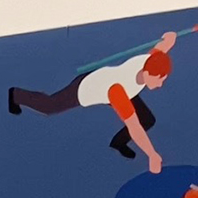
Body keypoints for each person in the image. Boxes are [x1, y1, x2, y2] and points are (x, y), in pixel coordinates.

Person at [9, 30, 177, 173]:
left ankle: (118, 143)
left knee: (148, 119)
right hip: (87, 88)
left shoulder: (149, 61)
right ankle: (16, 95)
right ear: (147, 73)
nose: (160, 85)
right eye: (159, 80)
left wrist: (171, 39)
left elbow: (162, 47)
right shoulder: (117, 90)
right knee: (49, 107)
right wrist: (152, 154)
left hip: (120, 84)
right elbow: (133, 126)